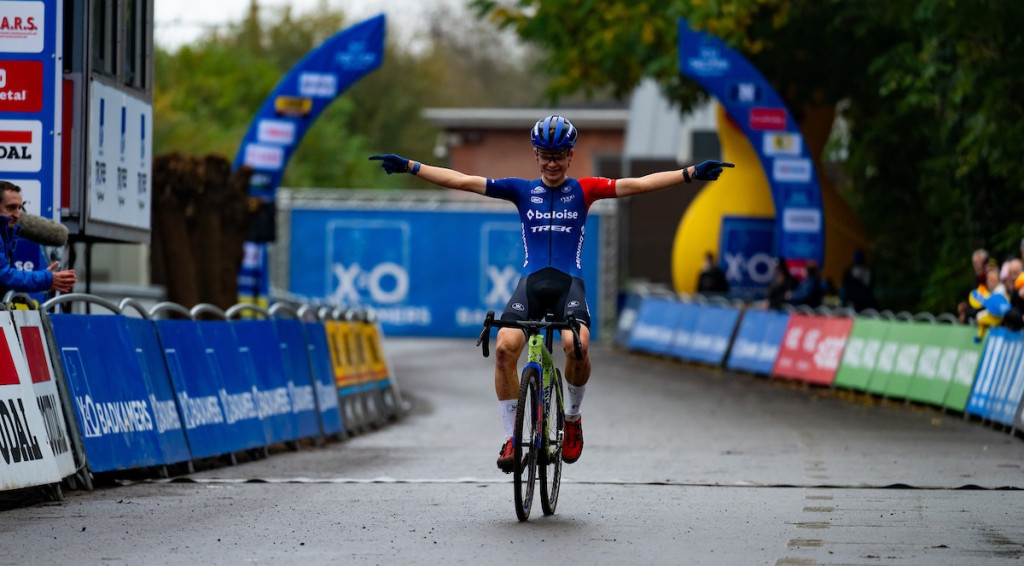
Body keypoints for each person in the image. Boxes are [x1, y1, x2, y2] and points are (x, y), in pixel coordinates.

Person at [370, 115, 733, 472]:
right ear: (536, 155)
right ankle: (513, 436)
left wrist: (689, 174)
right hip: (530, 285)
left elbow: (637, 184)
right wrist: (411, 166)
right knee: (502, 350)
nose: (552, 162)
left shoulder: (585, 190)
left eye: (560, 155)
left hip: (568, 284)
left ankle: (572, 418)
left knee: (577, 346)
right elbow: (461, 179)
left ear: (571, 156)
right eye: (546, 154)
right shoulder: (521, 190)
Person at [0, 181, 76, 296]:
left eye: (19, 208)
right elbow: (4, 277)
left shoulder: (7, 232)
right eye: (11, 207)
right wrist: (45, 279)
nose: (17, 214)